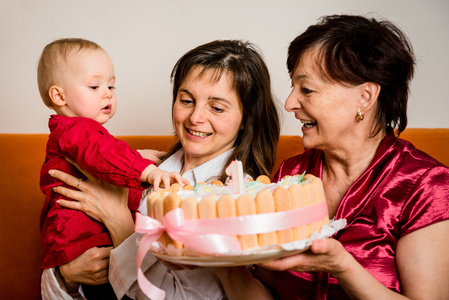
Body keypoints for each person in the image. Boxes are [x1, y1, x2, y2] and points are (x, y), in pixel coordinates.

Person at [214, 14, 449, 299]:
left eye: (307, 89)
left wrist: (343, 267)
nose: (289, 103)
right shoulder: (291, 175)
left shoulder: (427, 186)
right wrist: (222, 264)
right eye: (292, 87)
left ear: (365, 96)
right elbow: (265, 293)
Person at [43, 39, 281, 299]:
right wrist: (66, 277)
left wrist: (120, 224)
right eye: (187, 100)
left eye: (216, 107)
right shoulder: (137, 167)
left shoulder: (239, 200)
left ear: (247, 117)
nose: (196, 117)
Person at [37, 38, 186, 299]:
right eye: (94, 86)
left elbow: (97, 156)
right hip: (84, 242)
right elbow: (102, 153)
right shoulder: (76, 129)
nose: (107, 93)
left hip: (84, 241)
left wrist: (137, 156)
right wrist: (147, 170)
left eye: (111, 85)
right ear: (59, 95)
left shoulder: (75, 133)